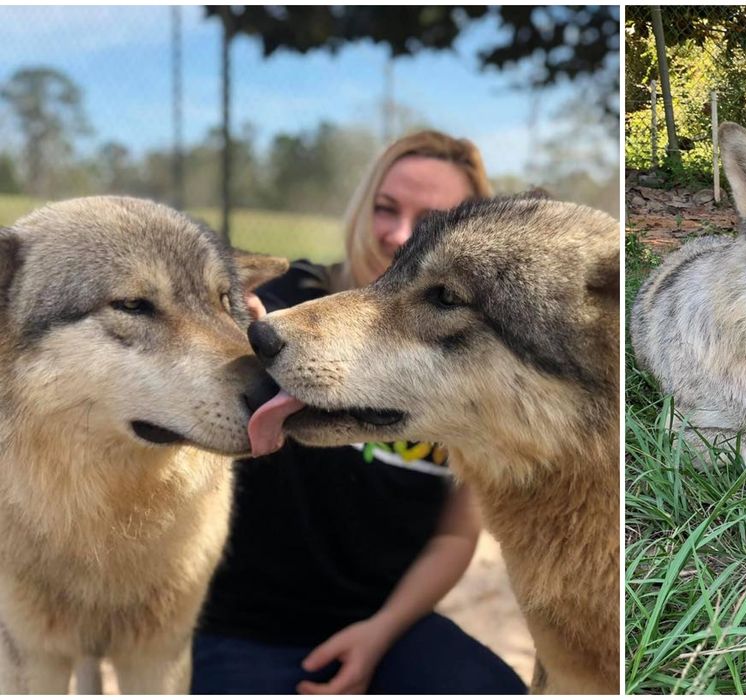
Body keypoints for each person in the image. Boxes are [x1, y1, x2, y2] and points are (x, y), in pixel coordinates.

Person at [192, 131, 527, 695]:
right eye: (385, 208)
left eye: (428, 224)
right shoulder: (282, 299)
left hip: (388, 624)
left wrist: (378, 634)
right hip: (240, 629)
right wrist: (232, 336)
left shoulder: (476, 358)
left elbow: (454, 536)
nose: (399, 236)